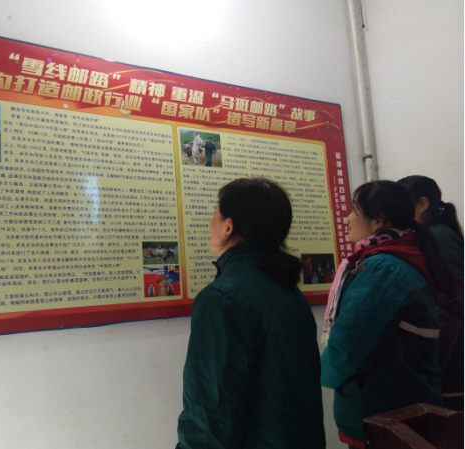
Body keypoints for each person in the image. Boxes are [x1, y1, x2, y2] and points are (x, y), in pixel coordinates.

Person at [176, 178, 326, 449]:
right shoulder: (287, 289)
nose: (210, 223)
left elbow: (210, 415)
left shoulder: (221, 299)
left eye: (215, 214)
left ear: (228, 226)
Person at [320, 181, 461, 448]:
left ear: (378, 221)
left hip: (383, 411)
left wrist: (321, 373)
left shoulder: (383, 269)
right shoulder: (394, 259)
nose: (347, 217)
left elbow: (349, 345)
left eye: (354, 210)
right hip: (399, 403)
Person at [398, 175, 465, 409]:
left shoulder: (439, 238)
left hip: (452, 365)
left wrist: (430, 364)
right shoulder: (434, 235)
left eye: (402, 206)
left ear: (422, 204)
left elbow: (452, 305)